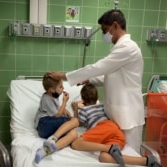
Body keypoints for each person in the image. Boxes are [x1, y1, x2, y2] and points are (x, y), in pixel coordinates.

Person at [48, 9, 145, 154]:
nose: (104, 35)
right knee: (114, 154)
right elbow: (111, 76)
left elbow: (99, 67)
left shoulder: (128, 48)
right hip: (116, 113)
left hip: (128, 116)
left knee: (129, 155)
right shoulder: (119, 48)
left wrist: (63, 76)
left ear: (115, 25)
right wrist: (89, 79)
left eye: (105, 30)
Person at [71, 83, 161, 167]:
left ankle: (109, 148)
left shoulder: (84, 111)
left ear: (82, 99)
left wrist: (76, 109)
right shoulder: (103, 106)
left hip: (103, 127)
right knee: (104, 157)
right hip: (116, 132)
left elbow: (76, 123)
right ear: (97, 96)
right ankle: (146, 161)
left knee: (76, 143)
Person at [34, 74, 79, 164]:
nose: (63, 88)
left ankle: (45, 151)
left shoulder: (53, 96)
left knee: (73, 134)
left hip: (49, 129)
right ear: (52, 90)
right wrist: (65, 102)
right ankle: (53, 139)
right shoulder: (46, 98)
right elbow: (58, 115)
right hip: (44, 124)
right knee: (75, 121)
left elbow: (57, 109)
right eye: (60, 86)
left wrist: (64, 109)